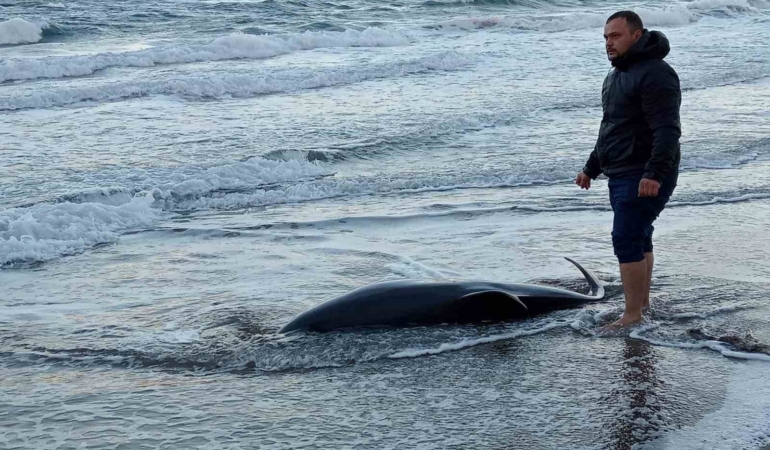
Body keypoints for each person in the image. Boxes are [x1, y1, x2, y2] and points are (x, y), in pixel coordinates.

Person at [575, 11, 681, 329]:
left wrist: (654, 173)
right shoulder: (616, 75)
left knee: (626, 237)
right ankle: (642, 307)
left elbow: (667, 130)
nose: (609, 42)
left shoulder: (656, 73)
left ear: (636, 35)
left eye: (616, 36)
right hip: (622, 171)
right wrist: (590, 168)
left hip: (644, 172)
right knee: (639, 237)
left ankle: (632, 315)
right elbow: (611, 128)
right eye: (606, 37)